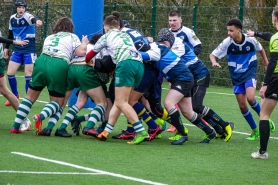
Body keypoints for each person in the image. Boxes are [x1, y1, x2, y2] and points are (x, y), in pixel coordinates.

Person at [10, 17, 88, 134]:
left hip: (41, 60)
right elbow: (80, 52)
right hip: (59, 63)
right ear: (71, 28)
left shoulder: (50, 37)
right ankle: (43, 120)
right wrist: (84, 43)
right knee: (58, 102)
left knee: (29, 97)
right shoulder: (72, 37)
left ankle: (15, 126)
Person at [157, 28, 233, 142]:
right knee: (192, 108)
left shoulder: (178, 46)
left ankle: (225, 124)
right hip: (189, 78)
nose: (162, 45)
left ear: (170, 40)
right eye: (160, 43)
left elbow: (168, 59)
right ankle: (219, 130)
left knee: (196, 106)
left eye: (164, 42)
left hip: (200, 75)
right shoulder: (171, 43)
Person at [85, 14, 149, 145]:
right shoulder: (125, 35)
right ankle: (106, 131)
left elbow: (90, 55)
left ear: (106, 28)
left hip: (125, 65)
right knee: (120, 101)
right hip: (139, 65)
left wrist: (88, 61)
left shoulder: (106, 36)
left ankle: (141, 131)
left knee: (121, 103)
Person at [139, 39, 216, 145]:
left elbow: (144, 56)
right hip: (183, 78)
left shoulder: (153, 52)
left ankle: (182, 133)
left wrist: (131, 53)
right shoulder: (155, 46)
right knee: (187, 112)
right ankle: (210, 131)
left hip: (182, 79)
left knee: (168, 103)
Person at [209, 18, 269, 141]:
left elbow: (260, 49)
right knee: (242, 105)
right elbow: (212, 55)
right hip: (236, 76)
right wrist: (214, 62)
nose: (228, 33)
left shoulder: (250, 39)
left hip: (249, 72)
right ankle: (254, 130)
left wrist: (266, 62)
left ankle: (265, 118)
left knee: (251, 98)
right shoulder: (227, 42)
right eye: (228, 30)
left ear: (239, 30)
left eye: (231, 30)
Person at [4, 0, 43, 106]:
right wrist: (6, 47)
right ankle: (15, 95)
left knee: (28, 75)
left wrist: (37, 21)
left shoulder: (27, 16)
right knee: (10, 74)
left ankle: (27, 99)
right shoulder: (12, 18)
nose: (21, 9)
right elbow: (10, 34)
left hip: (29, 49)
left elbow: (33, 19)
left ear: (25, 8)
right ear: (16, 8)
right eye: (19, 7)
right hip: (17, 49)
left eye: (23, 7)